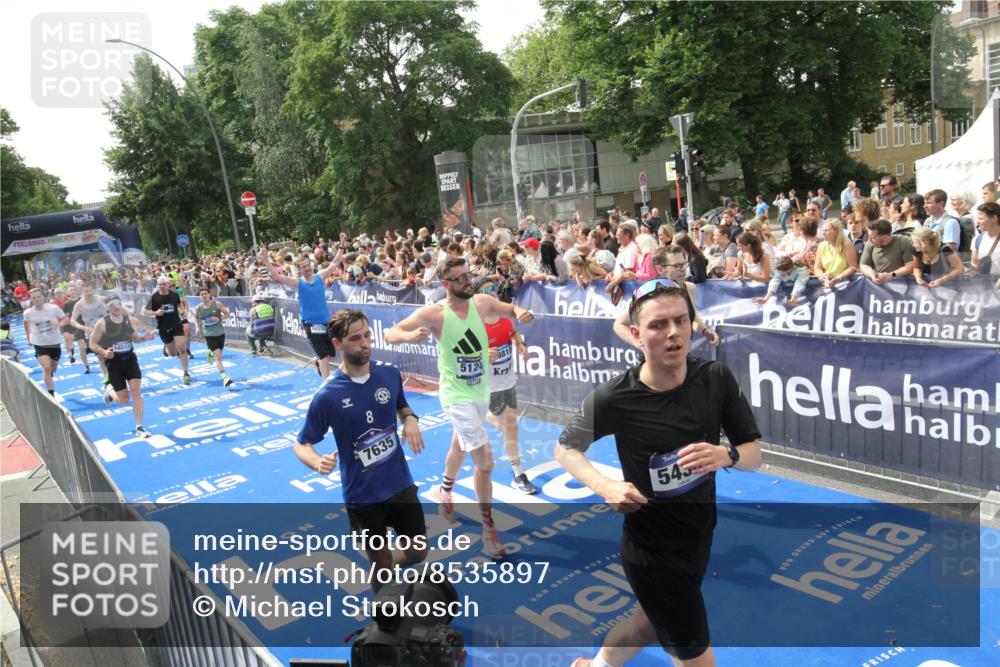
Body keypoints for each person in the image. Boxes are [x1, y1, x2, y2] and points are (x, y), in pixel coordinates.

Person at [558, 278, 762, 667]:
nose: (673, 334)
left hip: (699, 536)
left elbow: (754, 455)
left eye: (680, 321)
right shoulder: (616, 397)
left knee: (646, 625)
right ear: (636, 334)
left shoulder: (715, 379)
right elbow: (565, 448)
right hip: (652, 553)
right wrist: (606, 486)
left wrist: (726, 455)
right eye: (657, 325)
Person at [385, 257, 534, 558]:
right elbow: (391, 332)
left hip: (480, 392)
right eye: (460, 278)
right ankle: (489, 531)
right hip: (455, 396)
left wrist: (521, 312)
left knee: (459, 448)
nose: (468, 281)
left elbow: (510, 310)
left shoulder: (481, 303)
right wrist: (409, 336)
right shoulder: (436, 314)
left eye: (468, 275)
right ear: (445, 284)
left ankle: (445, 491)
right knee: (486, 461)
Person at [294, 309, 427, 588]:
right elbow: (303, 443)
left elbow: (401, 405)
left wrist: (410, 419)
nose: (365, 343)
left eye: (367, 335)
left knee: (418, 551)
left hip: (399, 482)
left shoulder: (389, 374)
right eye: (355, 338)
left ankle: (390, 564)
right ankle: (386, 619)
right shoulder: (327, 396)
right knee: (379, 563)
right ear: (337, 344)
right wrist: (316, 462)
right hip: (363, 495)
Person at [471, 276, 536, 494]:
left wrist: (520, 343)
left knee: (510, 426)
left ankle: (518, 472)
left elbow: (513, 332)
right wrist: (480, 355)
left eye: (493, 288)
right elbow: (457, 355)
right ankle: (519, 473)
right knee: (510, 426)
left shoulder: (505, 319)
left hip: (507, 383)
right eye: (485, 290)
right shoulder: (473, 325)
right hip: (484, 387)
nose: (491, 292)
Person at [259, 247, 342, 379]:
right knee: (325, 357)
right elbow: (277, 276)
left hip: (325, 322)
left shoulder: (320, 277)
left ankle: (318, 362)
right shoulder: (298, 283)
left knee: (331, 356)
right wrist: (265, 260)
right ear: (299, 269)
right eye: (303, 267)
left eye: (308, 265)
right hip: (310, 323)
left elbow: (335, 264)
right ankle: (326, 384)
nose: (307, 268)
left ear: (311, 265)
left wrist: (342, 246)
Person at [613, 246, 719, 347]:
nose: (683, 269)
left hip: (681, 353)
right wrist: (639, 344)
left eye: (684, 264)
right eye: (676, 266)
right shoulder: (650, 291)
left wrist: (705, 331)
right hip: (657, 358)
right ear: (660, 270)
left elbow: (692, 317)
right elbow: (619, 324)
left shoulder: (690, 288)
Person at [90, 296, 157, 437]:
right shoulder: (102, 323)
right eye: (112, 305)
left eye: (118, 303)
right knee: (124, 400)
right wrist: (103, 352)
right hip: (114, 363)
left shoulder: (128, 320)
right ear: (107, 308)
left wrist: (145, 338)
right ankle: (109, 391)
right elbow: (92, 344)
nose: (116, 306)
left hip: (130, 359)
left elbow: (136, 339)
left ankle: (139, 427)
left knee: (136, 390)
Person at [142, 276, 192, 385]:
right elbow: (145, 311)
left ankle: (186, 373)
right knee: (173, 354)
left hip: (176, 325)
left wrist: (182, 311)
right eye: (159, 284)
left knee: (182, 350)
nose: (161, 286)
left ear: (168, 285)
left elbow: (179, 305)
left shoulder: (174, 295)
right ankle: (166, 347)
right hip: (163, 328)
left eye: (163, 284)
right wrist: (156, 313)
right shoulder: (154, 297)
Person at [23, 288, 69, 396]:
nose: (37, 299)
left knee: (53, 368)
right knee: (46, 367)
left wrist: (59, 324)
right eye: (34, 298)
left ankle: (50, 374)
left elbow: (65, 319)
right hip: (39, 343)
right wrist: (28, 338)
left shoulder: (53, 308)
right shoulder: (28, 313)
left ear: (43, 297)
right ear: (31, 299)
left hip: (54, 342)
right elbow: (26, 325)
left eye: (38, 297)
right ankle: (50, 393)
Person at [192, 288, 234, 387]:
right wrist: (197, 328)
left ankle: (209, 352)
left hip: (220, 333)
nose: (204, 296)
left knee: (218, 355)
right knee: (218, 358)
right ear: (199, 297)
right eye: (201, 294)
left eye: (205, 293)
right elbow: (196, 317)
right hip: (209, 334)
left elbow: (227, 315)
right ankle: (224, 378)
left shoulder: (217, 304)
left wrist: (219, 318)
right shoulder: (198, 308)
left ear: (209, 294)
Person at [69, 281, 109, 380]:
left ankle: (117, 375)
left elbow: (116, 309)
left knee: (113, 355)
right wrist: (84, 328)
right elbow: (72, 321)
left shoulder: (102, 299)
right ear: (82, 292)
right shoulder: (79, 304)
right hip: (92, 334)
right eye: (86, 291)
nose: (89, 293)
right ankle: (107, 379)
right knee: (101, 357)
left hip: (108, 331)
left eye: (90, 290)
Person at [859, 219, 915, 284]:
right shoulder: (870, 244)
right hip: (879, 285)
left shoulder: (903, 241)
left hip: (902, 284)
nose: (869, 240)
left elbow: (910, 266)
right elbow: (863, 264)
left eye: (872, 238)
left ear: (884, 237)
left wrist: (891, 275)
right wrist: (872, 275)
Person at [814, 220, 858, 289]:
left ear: (836, 231)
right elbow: (817, 268)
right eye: (822, 230)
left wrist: (838, 278)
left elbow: (853, 267)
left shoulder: (846, 244)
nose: (823, 233)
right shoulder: (821, 246)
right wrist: (821, 275)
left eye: (826, 230)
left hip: (845, 284)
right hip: (827, 284)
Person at [971, 202, 1000, 276]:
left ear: (994, 218)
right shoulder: (977, 239)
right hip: (985, 284)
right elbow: (974, 262)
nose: (978, 222)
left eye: (981, 218)